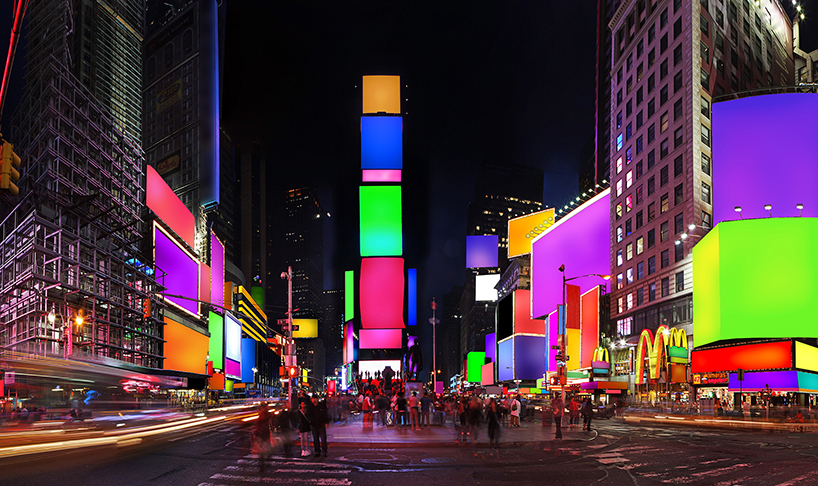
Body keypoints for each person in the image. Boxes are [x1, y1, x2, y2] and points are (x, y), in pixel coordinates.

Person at [252, 404, 274, 473]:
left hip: (262, 434)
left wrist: (256, 434)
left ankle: (262, 466)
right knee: (267, 450)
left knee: (261, 451)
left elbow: (259, 426)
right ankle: (266, 462)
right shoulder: (269, 415)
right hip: (265, 434)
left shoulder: (262, 415)